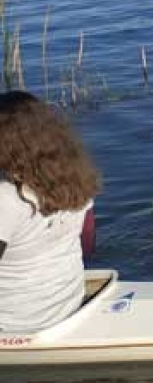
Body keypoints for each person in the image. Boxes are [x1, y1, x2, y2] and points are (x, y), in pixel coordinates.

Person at [0, 91, 101, 335]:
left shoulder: (7, 198)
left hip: (14, 323)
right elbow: (87, 245)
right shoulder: (77, 179)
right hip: (67, 305)